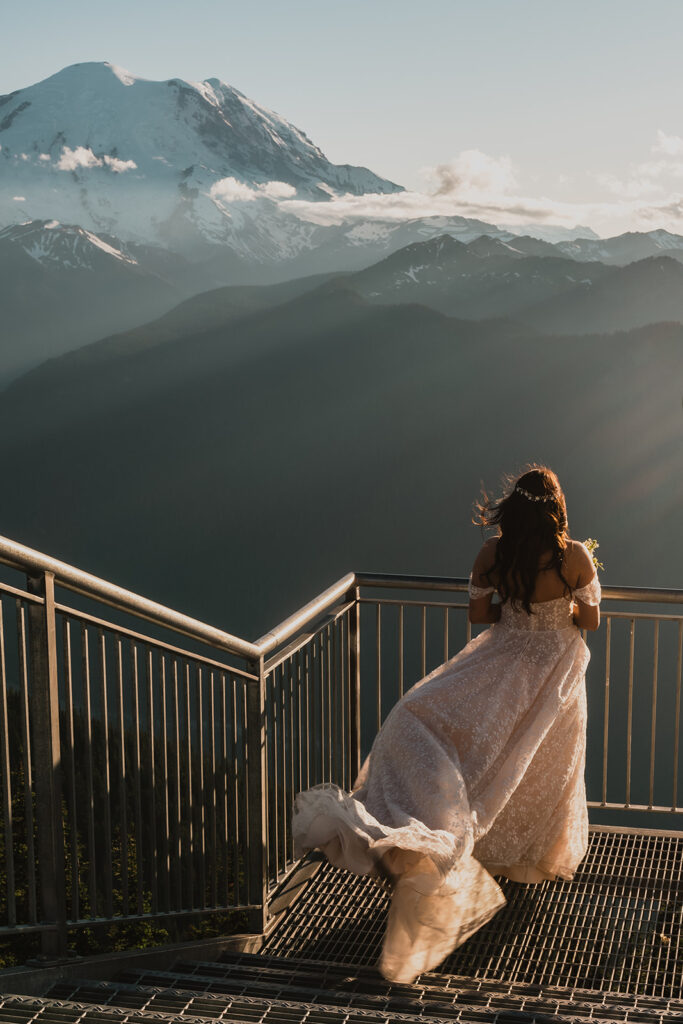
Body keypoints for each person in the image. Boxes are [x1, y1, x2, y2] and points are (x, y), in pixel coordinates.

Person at [291, 466, 601, 984]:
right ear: (556, 508)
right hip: (555, 671)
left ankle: (423, 822)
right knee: (544, 761)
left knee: (423, 717)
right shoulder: (573, 557)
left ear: (514, 508)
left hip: (500, 661)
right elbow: (589, 621)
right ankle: (523, 859)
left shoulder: (493, 555)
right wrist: (554, 613)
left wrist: (518, 609)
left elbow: (480, 615)